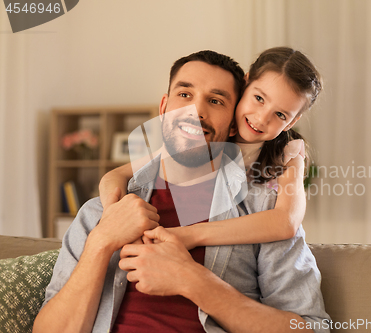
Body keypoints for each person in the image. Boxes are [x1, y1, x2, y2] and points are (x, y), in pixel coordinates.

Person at [34, 50, 330, 333]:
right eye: (185, 95)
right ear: (164, 109)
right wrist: (101, 241)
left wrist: (194, 281)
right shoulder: (100, 212)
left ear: (232, 125)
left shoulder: (263, 214)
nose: (195, 111)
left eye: (215, 101)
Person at [99, 47, 322, 249]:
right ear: (245, 85)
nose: (262, 118)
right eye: (259, 98)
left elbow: (287, 222)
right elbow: (118, 175)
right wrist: (112, 214)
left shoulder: (288, 154)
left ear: (291, 122)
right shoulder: (212, 137)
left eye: (280, 114)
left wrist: (191, 235)